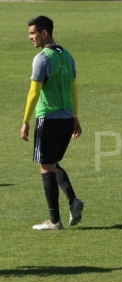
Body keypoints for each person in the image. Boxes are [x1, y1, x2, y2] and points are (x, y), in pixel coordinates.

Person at [20, 15, 84, 230]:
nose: (30, 37)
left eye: (32, 33)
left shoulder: (42, 59)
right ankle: (73, 201)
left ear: (44, 32)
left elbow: (34, 91)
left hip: (48, 119)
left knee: (46, 168)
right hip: (66, 120)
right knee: (51, 163)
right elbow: (73, 88)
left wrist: (25, 121)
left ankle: (55, 222)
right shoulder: (67, 55)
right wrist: (74, 116)